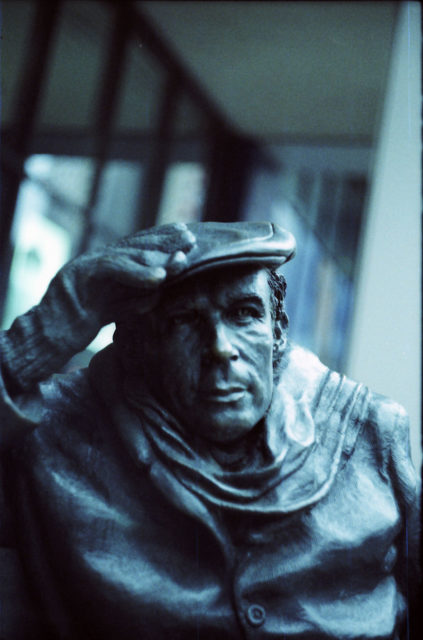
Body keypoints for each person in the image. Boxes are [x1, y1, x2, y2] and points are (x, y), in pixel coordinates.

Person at [0, 221, 419, 639]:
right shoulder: (59, 430)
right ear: (140, 347)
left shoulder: (368, 434)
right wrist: (42, 333)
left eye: (244, 314)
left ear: (277, 333)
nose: (220, 347)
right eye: (185, 319)